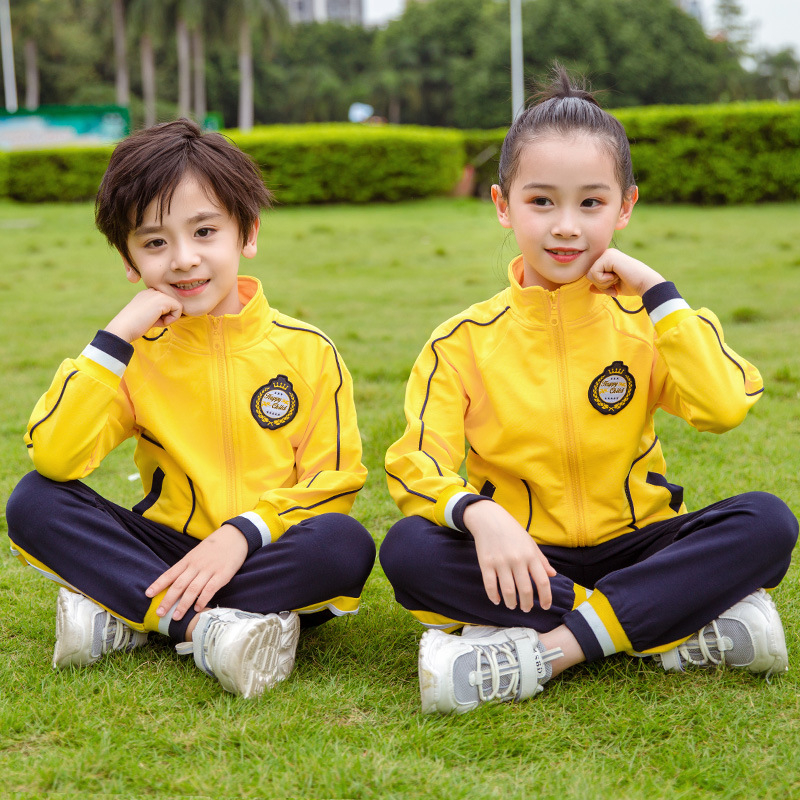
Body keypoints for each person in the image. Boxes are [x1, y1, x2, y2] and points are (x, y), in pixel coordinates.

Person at [380, 67, 798, 715]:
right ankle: (667, 625)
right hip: (526, 559)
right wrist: (480, 515)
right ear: (502, 205)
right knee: (408, 550)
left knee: (767, 521)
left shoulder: (651, 320)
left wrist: (660, 294)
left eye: (591, 203)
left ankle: (550, 649)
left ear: (625, 206)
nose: (566, 227)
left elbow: (721, 408)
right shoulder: (461, 341)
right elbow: (415, 466)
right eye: (541, 201)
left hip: (640, 542)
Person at [5, 119, 375, 699]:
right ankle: (202, 629)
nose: (183, 259)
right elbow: (56, 456)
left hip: (265, 549)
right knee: (34, 500)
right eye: (154, 242)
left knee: (344, 544)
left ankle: (127, 611)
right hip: (167, 547)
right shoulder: (134, 354)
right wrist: (118, 335)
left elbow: (335, 481)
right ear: (130, 262)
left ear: (245, 233)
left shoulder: (308, 350)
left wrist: (242, 534)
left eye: (204, 231)